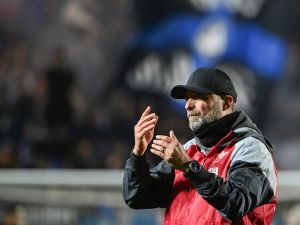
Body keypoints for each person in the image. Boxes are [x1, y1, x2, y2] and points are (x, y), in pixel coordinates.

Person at [122, 67, 278, 225]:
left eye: (197, 97)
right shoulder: (187, 151)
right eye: (187, 99)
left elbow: (235, 203)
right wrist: (138, 154)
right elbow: (137, 197)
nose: (187, 106)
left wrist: (190, 168)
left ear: (226, 103)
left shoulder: (250, 148)